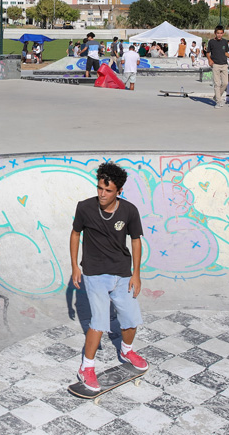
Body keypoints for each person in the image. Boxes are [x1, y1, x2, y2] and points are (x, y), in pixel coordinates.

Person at [70, 161, 147, 391]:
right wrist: (75, 266)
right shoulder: (84, 208)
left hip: (122, 272)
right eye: (100, 189)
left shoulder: (129, 210)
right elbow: (75, 234)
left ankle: (126, 350)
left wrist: (136, 274)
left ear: (119, 191)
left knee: (132, 319)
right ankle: (87, 366)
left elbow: (135, 240)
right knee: (100, 322)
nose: (102, 194)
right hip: (94, 273)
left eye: (108, 190)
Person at [206, 25, 229, 109]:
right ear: (215, 33)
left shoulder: (225, 42)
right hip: (215, 64)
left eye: (221, 33)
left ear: (223, 33)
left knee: (225, 83)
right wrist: (209, 60)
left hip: (224, 64)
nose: (219, 35)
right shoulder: (211, 42)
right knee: (217, 83)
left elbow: (225, 52)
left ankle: (216, 97)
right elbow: (208, 52)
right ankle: (218, 101)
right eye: (218, 33)